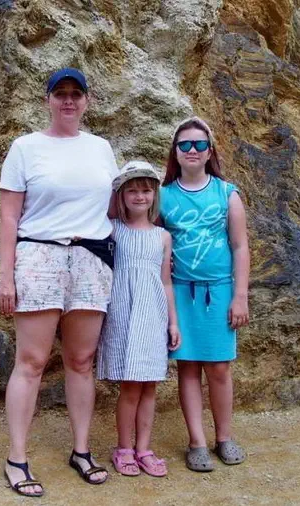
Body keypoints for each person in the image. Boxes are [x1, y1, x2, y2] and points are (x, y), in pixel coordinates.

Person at [0, 67, 116, 496]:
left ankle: (81, 450)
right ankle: (17, 457)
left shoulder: (101, 149)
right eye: (60, 93)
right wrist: (5, 275)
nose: (68, 100)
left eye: (75, 94)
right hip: (39, 256)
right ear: (47, 99)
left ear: (87, 101)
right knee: (31, 361)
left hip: (90, 259)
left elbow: (114, 209)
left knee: (81, 360)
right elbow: (9, 216)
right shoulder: (25, 148)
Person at [159, 117, 250, 472]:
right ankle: (196, 442)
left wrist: (240, 296)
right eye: (185, 144)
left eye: (199, 144)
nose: (192, 150)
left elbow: (240, 246)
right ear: (175, 152)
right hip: (181, 293)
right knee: (187, 368)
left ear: (210, 151)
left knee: (219, 368)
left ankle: (224, 437)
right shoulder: (163, 196)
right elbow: (151, 239)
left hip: (219, 292)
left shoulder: (227, 193)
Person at [96, 161, 181, 478]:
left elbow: (166, 282)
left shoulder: (162, 237)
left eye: (146, 190)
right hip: (124, 313)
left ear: (154, 194)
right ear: (121, 194)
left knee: (150, 386)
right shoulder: (113, 229)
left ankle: (144, 448)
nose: (140, 196)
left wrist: (173, 322)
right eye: (131, 190)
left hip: (153, 315)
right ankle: (124, 448)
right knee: (130, 386)